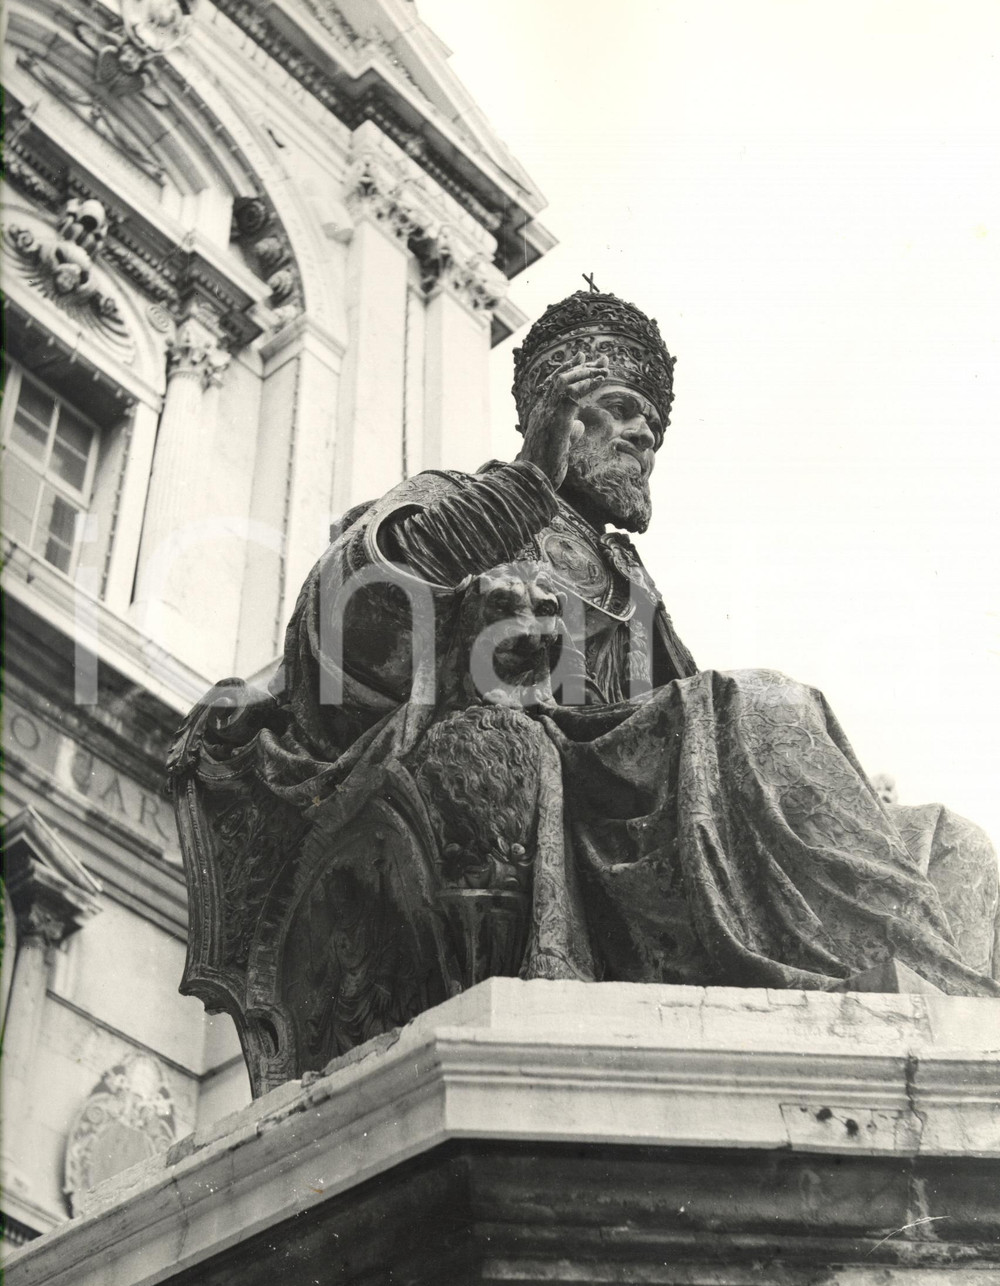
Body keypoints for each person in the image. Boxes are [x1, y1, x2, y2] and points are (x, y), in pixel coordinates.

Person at [241, 288, 997, 1002]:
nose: (645, 437)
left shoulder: (628, 574)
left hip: (655, 798)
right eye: (623, 412)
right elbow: (351, 621)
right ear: (555, 416)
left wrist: (827, 791)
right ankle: (907, 982)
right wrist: (528, 485)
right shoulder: (459, 501)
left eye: (654, 428)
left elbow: (704, 733)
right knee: (770, 703)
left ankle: (942, 993)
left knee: (951, 845)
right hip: (585, 790)